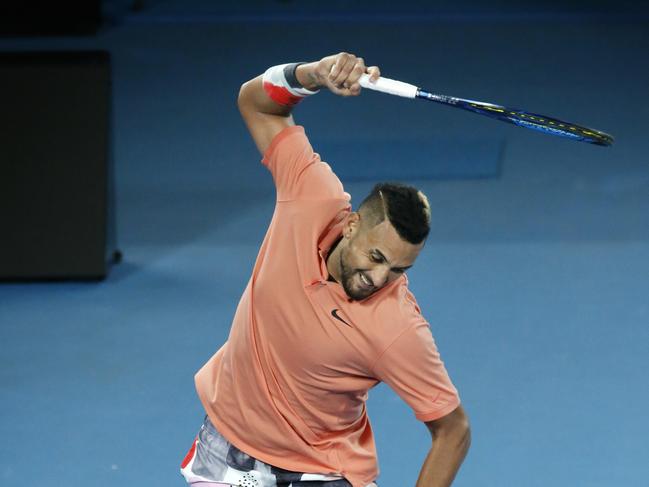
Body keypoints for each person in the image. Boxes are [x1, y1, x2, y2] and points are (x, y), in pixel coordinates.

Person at [180, 52, 470, 487]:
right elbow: (255, 101)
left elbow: (453, 431)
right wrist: (313, 74)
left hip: (319, 475)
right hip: (223, 456)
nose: (379, 279)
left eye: (398, 270)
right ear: (353, 225)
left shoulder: (396, 328)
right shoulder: (309, 196)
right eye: (375, 258)